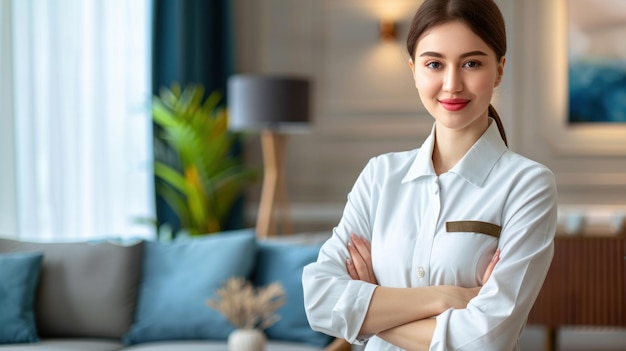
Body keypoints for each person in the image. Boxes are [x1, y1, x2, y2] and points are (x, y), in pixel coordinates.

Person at [301, 0, 558, 350]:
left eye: (471, 63)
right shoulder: (380, 175)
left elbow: (485, 340)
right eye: (434, 64)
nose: (452, 85)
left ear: (499, 70)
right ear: (413, 70)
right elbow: (319, 300)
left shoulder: (528, 185)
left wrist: (370, 308)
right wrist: (447, 298)